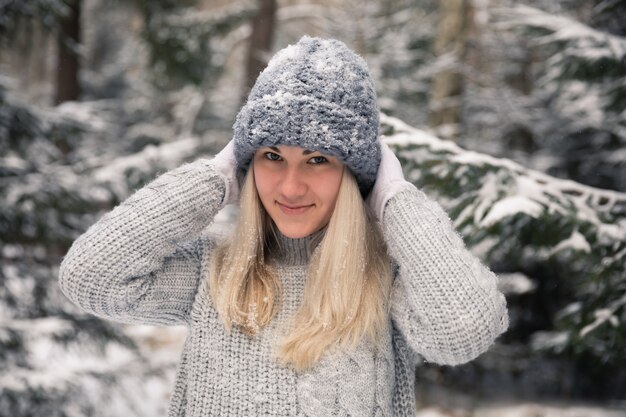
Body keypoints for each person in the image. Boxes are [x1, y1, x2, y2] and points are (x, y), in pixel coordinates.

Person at [59, 35, 508, 417]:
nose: (291, 186)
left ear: (355, 177)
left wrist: (395, 201)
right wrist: (211, 181)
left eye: (318, 160)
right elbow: (90, 277)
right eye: (272, 157)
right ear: (245, 165)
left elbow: (464, 333)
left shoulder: (385, 280)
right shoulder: (212, 273)